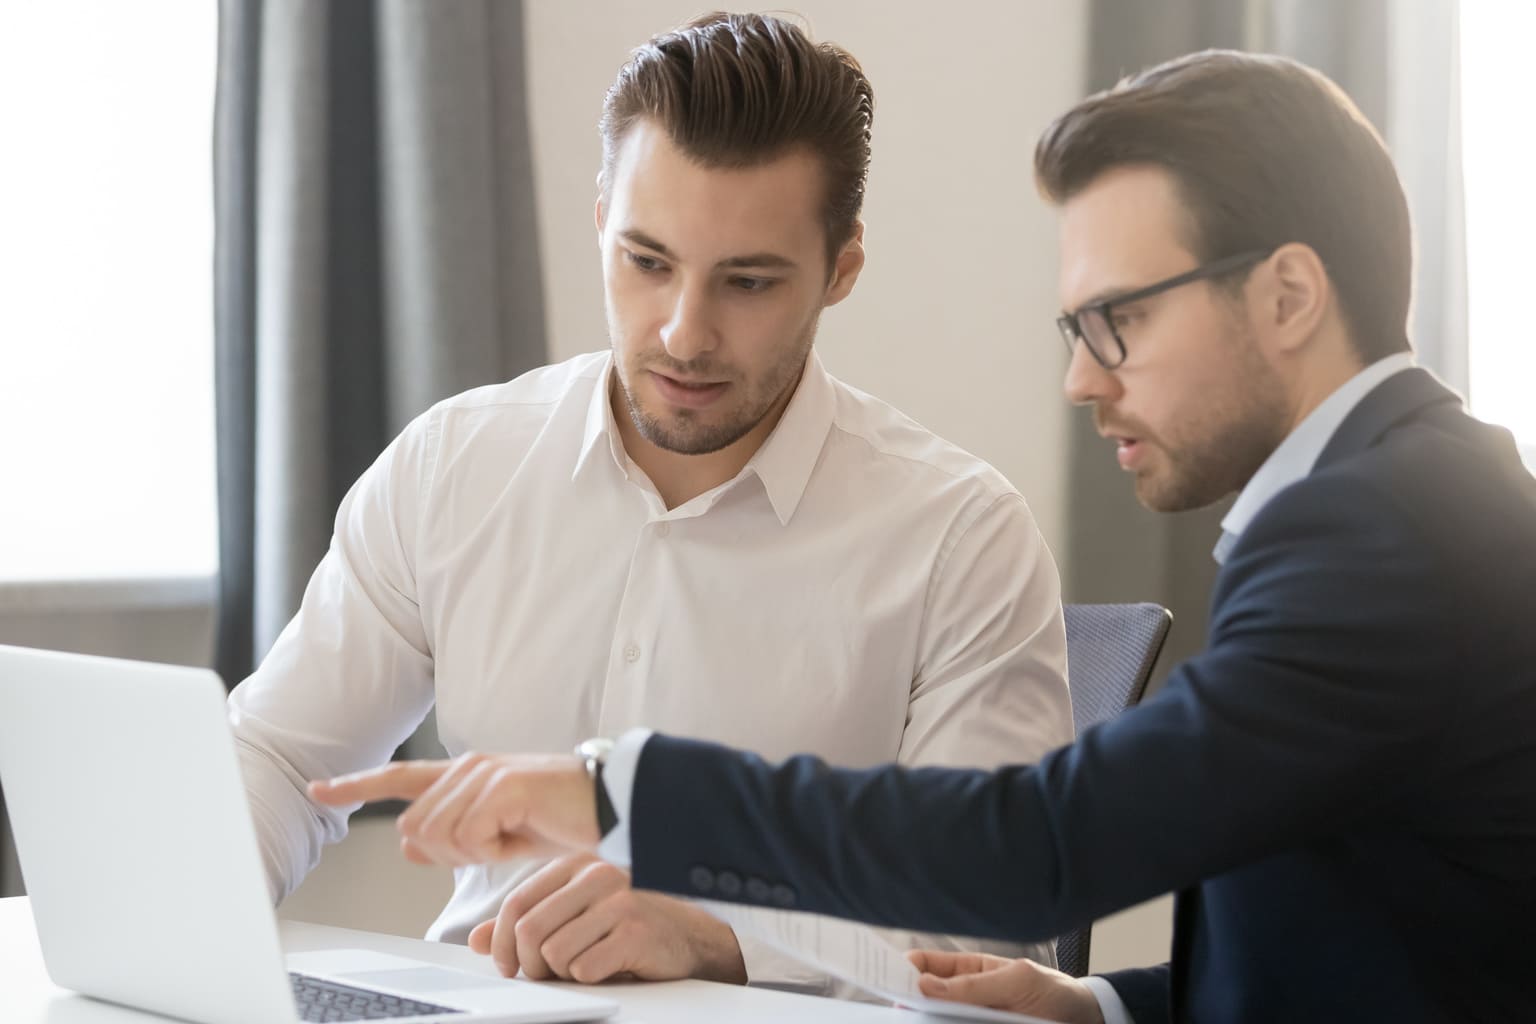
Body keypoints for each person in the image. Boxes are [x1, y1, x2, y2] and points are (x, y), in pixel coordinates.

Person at [314, 49, 1536, 1023]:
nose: (1081, 382)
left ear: (1285, 296)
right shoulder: (1402, 502)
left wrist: (617, 788)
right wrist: (1107, 1002)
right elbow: (1379, 942)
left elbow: (1041, 845)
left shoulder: (1384, 531)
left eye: (1115, 320)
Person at [232, 10, 1071, 997]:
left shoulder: (959, 541)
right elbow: (283, 758)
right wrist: (179, 919)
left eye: (748, 281)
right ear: (601, 222)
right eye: (647, 261)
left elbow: (993, 946)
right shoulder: (456, 466)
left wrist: (720, 937)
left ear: (841, 268)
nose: (683, 332)